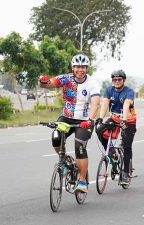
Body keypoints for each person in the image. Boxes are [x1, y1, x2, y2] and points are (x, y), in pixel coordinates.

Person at [39, 54, 100, 193]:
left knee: (79, 147)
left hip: (84, 120)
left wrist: (90, 120)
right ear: (73, 67)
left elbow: (95, 104)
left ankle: (83, 181)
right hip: (66, 117)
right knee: (56, 138)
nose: (80, 69)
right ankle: (66, 162)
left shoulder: (92, 83)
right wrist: (42, 81)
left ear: (87, 68)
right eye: (77, 66)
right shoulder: (65, 78)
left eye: (83, 67)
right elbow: (48, 84)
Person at [95, 70, 136, 185]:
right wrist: (100, 117)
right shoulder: (109, 90)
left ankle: (125, 173)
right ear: (112, 80)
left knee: (127, 146)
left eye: (119, 79)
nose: (117, 82)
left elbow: (126, 104)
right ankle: (112, 151)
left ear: (124, 80)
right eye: (114, 80)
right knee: (99, 130)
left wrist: (124, 120)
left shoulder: (129, 91)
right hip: (114, 118)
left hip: (128, 120)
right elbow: (105, 103)